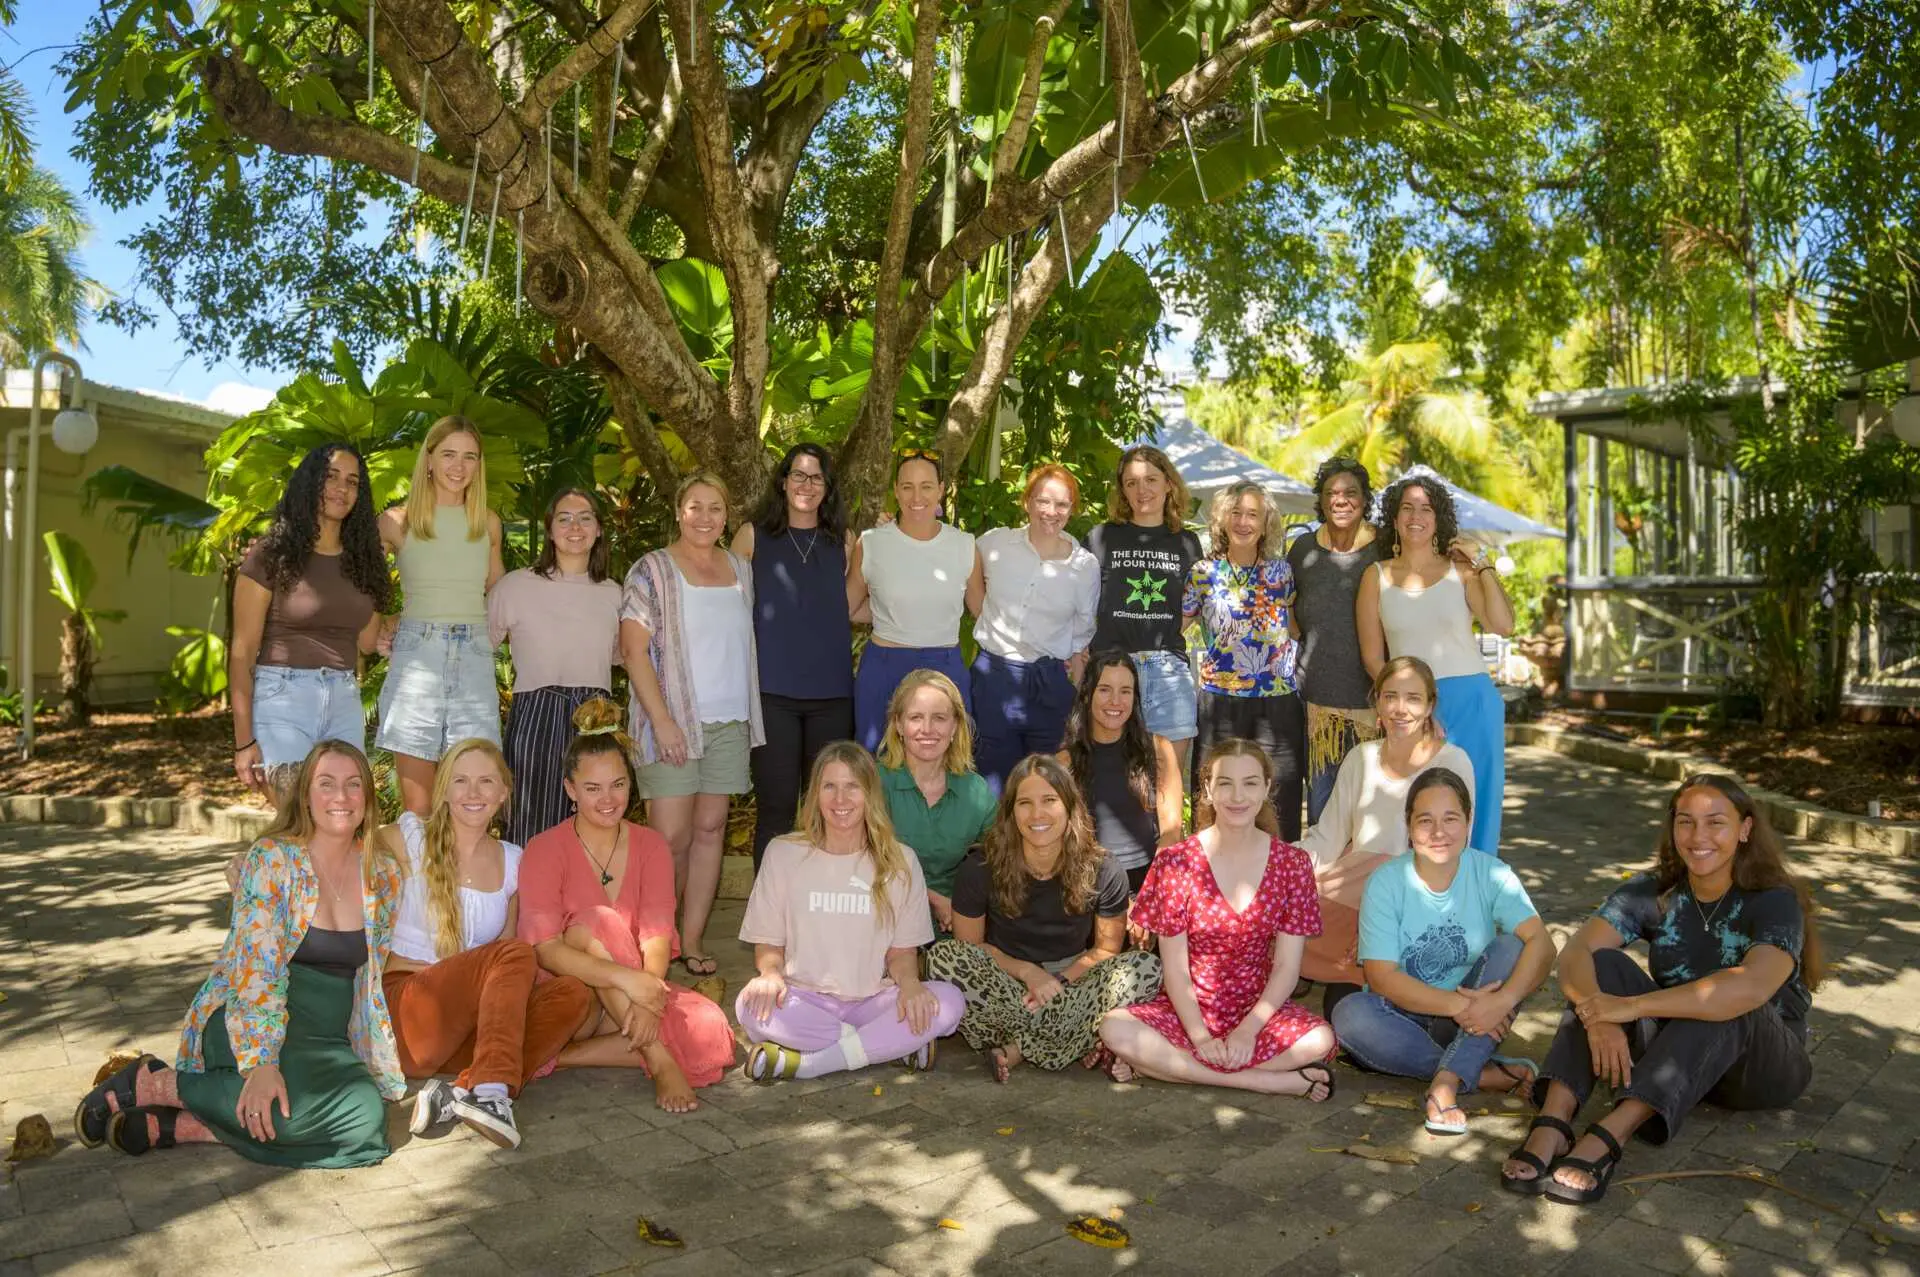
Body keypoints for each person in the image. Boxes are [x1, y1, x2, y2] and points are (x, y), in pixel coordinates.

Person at [74, 743, 404, 1165]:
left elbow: (374, 973)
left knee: (365, 1124)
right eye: (326, 784)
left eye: (353, 784)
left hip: (324, 1041)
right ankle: (157, 1084)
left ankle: (189, 1125)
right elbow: (256, 972)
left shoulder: (383, 875)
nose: (341, 797)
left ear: (367, 798)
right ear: (305, 796)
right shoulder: (273, 860)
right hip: (249, 1022)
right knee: (285, 1113)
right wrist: (261, 1063)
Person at [1500, 775, 1820, 1204]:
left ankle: (1614, 1130)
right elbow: (1576, 951)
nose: (1698, 836)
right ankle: (1554, 1120)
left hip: (1761, 1067)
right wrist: (1599, 1018)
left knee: (1724, 996)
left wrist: (1629, 1008)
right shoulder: (1655, 889)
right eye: (1686, 822)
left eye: (1716, 823)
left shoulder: (1774, 900)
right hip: (1683, 1055)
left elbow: (1751, 987)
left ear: (1744, 830)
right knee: (1604, 963)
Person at [518, 699, 737, 1113]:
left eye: (618, 785)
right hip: (571, 1001)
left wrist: (646, 995)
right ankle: (659, 1059)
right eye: (593, 788)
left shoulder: (651, 845)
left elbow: (656, 933)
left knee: (714, 1032)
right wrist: (629, 981)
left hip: (632, 991)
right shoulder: (544, 849)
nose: (608, 799)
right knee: (596, 922)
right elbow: (546, 948)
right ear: (570, 789)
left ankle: (558, 1059)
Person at [1097, 739, 1338, 1098]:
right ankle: (1266, 1081)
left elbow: (1287, 968)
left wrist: (1247, 1031)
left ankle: (1166, 1067)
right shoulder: (1176, 862)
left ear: (1268, 788)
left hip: (1259, 1011)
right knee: (1114, 1028)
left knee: (1320, 1039)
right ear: (1208, 789)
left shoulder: (1293, 864)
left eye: (1250, 783)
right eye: (1225, 783)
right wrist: (1200, 1037)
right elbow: (1175, 969)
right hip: (1187, 1010)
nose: (1237, 796)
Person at [1331, 769, 1553, 1135]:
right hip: (1402, 1019)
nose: (1438, 832)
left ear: (1468, 822)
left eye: (1451, 818)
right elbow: (1381, 977)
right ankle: (1480, 1071)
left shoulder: (1492, 874)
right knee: (1350, 1015)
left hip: (1472, 1024)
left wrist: (1504, 1000)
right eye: (1425, 820)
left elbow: (1544, 945)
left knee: (1514, 945)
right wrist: (1467, 1007)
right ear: (1408, 825)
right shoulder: (1386, 882)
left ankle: (1446, 1083)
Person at [736, 742, 966, 1081]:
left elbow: (902, 953)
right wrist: (769, 975)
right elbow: (769, 944)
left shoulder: (900, 861)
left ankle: (811, 1063)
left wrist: (911, 984)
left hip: (872, 1000)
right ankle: (888, 1044)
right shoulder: (783, 853)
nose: (840, 800)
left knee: (948, 1001)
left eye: (852, 787)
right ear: (815, 794)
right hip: (805, 1000)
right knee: (749, 1006)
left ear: (870, 795)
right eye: (829, 786)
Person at [926, 756, 1162, 1081]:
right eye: (1025, 803)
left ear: (1069, 807)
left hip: (1074, 978)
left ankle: (1018, 1049)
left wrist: (1060, 982)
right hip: (1006, 979)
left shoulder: (1104, 869)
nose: (1037, 814)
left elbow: (1106, 952)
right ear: (1010, 812)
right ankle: (1074, 1036)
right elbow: (970, 947)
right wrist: (1029, 974)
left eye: (1049, 800)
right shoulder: (979, 868)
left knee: (1145, 969)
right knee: (944, 957)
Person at [620, 471, 763, 978]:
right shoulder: (651, 570)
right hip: (672, 720)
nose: (705, 517)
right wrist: (662, 722)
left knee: (711, 829)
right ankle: (658, 939)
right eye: (695, 507)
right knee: (670, 838)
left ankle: (694, 938)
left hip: (730, 721)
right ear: (678, 511)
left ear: (727, 516)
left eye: (715, 508)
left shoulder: (742, 570)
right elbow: (633, 651)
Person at [1298, 656, 1475, 998]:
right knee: (1340, 1004)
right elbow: (1327, 837)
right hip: (1356, 900)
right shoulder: (1360, 758)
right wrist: (1276, 866)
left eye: (1412, 698)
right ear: (1376, 700)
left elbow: (1456, 849)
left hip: (1419, 904)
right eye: (1390, 696)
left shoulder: (1453, 761)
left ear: (1429, 705)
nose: (1399, 708)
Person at [1357, 473, 1512, 854]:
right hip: (1412, 708)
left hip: (1473, 701)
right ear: (1393, 518)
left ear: (1438, 519)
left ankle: (1475, 896)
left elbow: (1503, 624)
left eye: (1426, 509)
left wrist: (1483, 565)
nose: (1416, 516)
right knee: (1417, 808)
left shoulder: (1461, 571)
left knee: (1477, 807)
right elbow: (1373, 657)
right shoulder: (1375, 577)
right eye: (1407, 507)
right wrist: (1409, 707)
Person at [229, 443, 391, 796]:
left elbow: (367, 642)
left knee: (346, 818)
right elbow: (242, 652)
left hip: (344, 700)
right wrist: (244, 742)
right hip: (282, 697)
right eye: (330, 477)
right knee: (296, 818)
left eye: (352, 482)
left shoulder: (365, 561)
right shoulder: (271, 554)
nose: (341, 489)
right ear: (310, 483)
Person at [733, 443, 856, 869]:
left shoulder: (845, 542)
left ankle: (822, 913)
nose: (807, 485)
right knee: (776, 808)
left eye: (816, 477)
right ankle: (769, 919)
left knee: (831, 808)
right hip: (773, 696)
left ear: (827, 486)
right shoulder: (752, 537)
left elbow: (857, 607)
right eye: (798, 475)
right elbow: (729, 615)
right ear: (783, 482)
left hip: (833, 697)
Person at [376, 416, 507, 815]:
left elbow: (499, 596)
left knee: (472, 800)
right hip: (418, 656)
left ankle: (464, 879)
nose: (459, 466)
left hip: (475, 657)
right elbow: (363, 588)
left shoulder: (486, 522)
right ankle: (421, 878)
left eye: (470, 457)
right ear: (428, 459)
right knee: (419, 810)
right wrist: (385, 622)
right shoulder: (395, 521)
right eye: (448, 454)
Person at [488, 488, 623, 845]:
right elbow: (475, 647)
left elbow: (630, 657)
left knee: (596, 821)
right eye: (564, 518)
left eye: (585, 518)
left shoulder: (614, 594)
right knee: (529, 823)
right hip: (536, 712)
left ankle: (589, 902)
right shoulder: (515, 586)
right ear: (549, 530)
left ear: (598, 530)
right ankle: (527, 901)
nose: (574, 526)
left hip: (597, 716)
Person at [1183, 481, 1305, 837]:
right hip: (1219, 700)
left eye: (1252, 514)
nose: (1243, 521)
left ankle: (1278, 881)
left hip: (1277, 702)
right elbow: (1179, 627)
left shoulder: (1282, 573)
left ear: (1266, 523)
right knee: (1214, 795)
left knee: (1278, 798)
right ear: (1222, 519)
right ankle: (1210, 880)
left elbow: (1295, 628)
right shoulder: (1202, 574)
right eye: (1235, 513)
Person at [969, 464, 1100, 793]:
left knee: (1047, 785)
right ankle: (991, 847)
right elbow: (958, 567)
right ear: (1027, 501)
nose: (1051, 512)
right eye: (1043, 501)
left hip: (1049, 684)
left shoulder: (1084, 566)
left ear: (1072, 509)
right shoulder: (993, 544)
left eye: (1062, 504)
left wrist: (1079, 700)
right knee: (991, 783)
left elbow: (1082, 634)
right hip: (993, 679)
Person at [847, 450, 982, 751]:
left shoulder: (964, 545)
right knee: (877, 766)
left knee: (949, 763)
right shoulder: (871, 543)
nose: (916, 496)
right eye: (907, 486)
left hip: (944, 666)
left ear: (942, 489)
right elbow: (850, 607)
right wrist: (890, 614)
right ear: (895, 490)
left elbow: (982, 612)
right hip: (884, 666)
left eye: (926, 486)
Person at [1085, 446, 1204, 786]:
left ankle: (1166, 842)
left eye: (1151, 480)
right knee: (1110, 782)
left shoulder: (1187, 542)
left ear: (1169, 484)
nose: (1142, 490)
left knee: (1166, 784)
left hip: (1168, 672)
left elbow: (1191, 606)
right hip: (1112, 673)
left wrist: (1162, 628)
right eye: (1132, 482)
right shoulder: (1101, 537)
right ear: (1122, 489)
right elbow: (1082, 600)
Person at [1286, 457, 1381, 825]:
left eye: (1350, 493)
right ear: (1321, 501)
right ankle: (1324, 885)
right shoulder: (1303, 549)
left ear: (1364, 499)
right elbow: (1289, 610)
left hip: (1373, 707)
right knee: (1324, 817)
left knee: (1371, 817)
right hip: (1317, 707)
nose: (1341, 500)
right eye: (1332, 493)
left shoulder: (1385, 547)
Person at [1055, 650, 1184, 895]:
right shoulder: (1064, 762)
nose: (1116, 701)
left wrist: (1148, 898)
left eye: (1125, 691)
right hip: (1088, 884)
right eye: (1104, 689)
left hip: (1148, 881)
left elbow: (1172, 832)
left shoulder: (1158, 749)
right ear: (1087, 695)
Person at [876, 670, 997, 932]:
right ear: (898, 725)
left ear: (955, 725)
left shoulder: (975, 790)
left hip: (954, 923)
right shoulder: (874, 781)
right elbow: (858, 862)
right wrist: (931, 899)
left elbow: (1004, 857)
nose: (927, 729)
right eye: (916, 717)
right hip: (881, 918)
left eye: (939, 718)